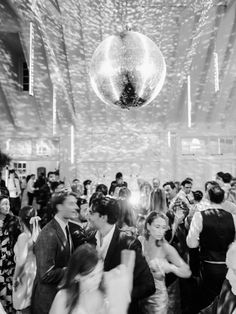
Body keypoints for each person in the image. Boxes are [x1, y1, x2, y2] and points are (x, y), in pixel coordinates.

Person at [88, 196, 156, 314]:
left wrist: (121, 296)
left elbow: (148, 285)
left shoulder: (128, 244)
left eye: (91, 213)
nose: (88, 216)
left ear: (103, 217)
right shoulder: (89, 240)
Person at [187, 185, 236, 310]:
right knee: (224, 300)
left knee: (207, 300)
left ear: (208, 198)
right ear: (223, 199)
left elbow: (191, 243)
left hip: (208, 264)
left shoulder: (200, 216)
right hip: (228, 266)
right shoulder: (233, 218)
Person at [49, 243, 135, 314]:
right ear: (77, 276)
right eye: (92, 276)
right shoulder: (63, 297)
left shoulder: (104, 293)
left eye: (100, 272)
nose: (98, 279)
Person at [32, 191, 79, 314]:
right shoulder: (49, 233)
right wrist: (73, 270)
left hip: (59, 297)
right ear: (59, 207)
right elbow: (46, 274)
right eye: (71, 203)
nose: (76, 207)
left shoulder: (66, 227)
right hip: (47, 302)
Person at [139, 212, 191, 314]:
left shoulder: (165, 248)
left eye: (163, 227)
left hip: (156, 299)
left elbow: (187, 271)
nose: (160, 231)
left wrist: (171, 267)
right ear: (148, 226)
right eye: (157, 227)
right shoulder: (140, 241)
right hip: (141, 294)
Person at [13, 206, 41, 314]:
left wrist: (16, 277)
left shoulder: (23, 236)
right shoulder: (38, 232)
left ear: (20, 220)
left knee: (23, 307)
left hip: (24, 274)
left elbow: (21, 260)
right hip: (34, 272)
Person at [200, 240, 236, 314]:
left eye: (234, 271)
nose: (227, 276)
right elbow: (212, 310)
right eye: (228, 267)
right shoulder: (228, 286)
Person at [0, 195, 21, 313]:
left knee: (9, 292)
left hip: (9, 262)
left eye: (8, 204)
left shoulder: (14, 221)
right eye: (4, 204)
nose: (7, 207)